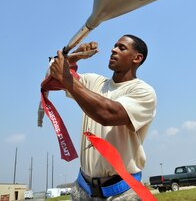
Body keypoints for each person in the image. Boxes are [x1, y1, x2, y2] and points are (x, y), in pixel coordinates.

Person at [50, 34, 157, 201]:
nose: (113, 49)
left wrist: (68, 79)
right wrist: (75, 56)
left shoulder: (143, 92)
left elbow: (107, 114)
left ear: (137, 58)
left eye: (121, 48)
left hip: (123, 192)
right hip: (83, 190)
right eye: (114, 46)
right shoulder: (94, 81)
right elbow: (53, 77)